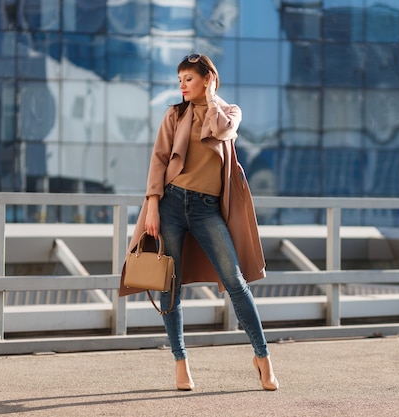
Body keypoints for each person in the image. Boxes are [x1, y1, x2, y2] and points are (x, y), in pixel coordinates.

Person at [119, 53, 279, 392]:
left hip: (208, 210)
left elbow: (223, 130)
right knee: (169, 286)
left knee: (235, 281)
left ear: (208, 78)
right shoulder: (174, 115)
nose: (181, 86)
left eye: (188, 79)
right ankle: (180, 362)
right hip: (172, 205)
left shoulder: (229, 113)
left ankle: (262, 358)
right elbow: (159, 160)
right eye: (179, 80)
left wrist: (210, 102)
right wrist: (151, 208)